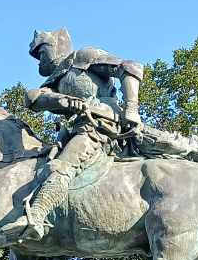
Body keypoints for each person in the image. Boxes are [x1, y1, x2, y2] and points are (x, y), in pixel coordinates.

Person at [20, 28, 144, 240]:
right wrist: (60, 100)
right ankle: (55, 259)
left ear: (54, 47)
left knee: (61, 168)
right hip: (73, 131)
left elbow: (130, 67)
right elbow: (34, 99)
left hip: (99, 126)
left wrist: (131, 109)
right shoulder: (55, 79)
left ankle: (37, 216)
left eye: (41, 53)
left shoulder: (84, 57)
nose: (39, 60)